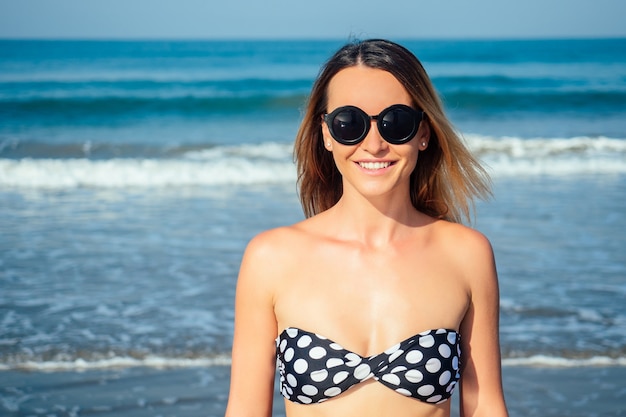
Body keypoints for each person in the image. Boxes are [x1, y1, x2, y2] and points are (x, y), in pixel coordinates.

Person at [225, 39, 508, 417]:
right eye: (349, 123)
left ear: (423, 132)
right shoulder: (271, 258)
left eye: (396, 122)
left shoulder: (466, 253)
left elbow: (486, 406)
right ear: (325, 133)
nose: (374, 144)